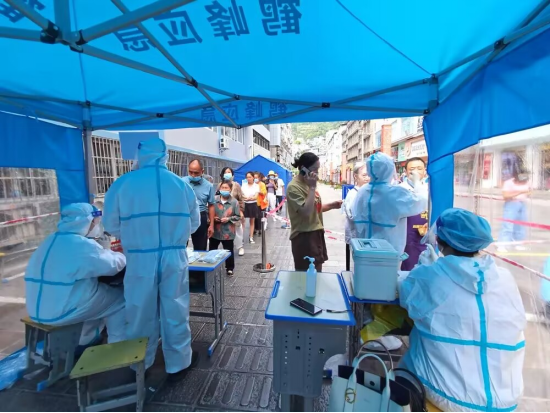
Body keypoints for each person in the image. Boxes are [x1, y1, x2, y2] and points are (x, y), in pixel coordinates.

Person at [399, 208, 526, 412]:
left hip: (446, 396)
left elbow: (407, 297)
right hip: (506, 398)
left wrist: (422, 270)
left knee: (403, 367)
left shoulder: (432, 277)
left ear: (440, 241)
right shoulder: (504, 278)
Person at [103, 138, 201, 381]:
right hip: (174, 256)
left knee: (139, 310)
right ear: (165, 155)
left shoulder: (122, 184)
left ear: (140, 154)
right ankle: (178, 364)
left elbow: (111, 225)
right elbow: (194, 224)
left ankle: (139, 365)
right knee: (176, 309)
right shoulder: (181, 185)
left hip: (139, 257)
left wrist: (135, 236)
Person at [25, 203, 126, 346]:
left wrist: (101, 250)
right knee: (120, 300)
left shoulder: (50, 240)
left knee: (96, 297)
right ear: (88, 222)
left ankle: (88, 340)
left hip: (37, 310)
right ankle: (117, 346)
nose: (97, 226)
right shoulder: (81, 245)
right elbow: (113, 266)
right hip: (61, 312)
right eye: (96, 222)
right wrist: (112, 252)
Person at [354, 152, 428, 255]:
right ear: (390, 169)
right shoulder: (396, 193)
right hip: (389, 250)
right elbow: (422, 202)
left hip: (364, 248)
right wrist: (417, 183)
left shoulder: (362, 191)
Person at [286, 152, 342, 271]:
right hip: (304, 236)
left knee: (317, 270)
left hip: (316, 234)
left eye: (318, 169)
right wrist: (312, 187)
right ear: (303, 168)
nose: (316, 173)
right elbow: (306, 212)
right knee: (307, 274)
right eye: (314, 169)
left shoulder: (308, 183)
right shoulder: (294, 187)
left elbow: (313, 208)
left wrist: (332, 205)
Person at [399, 157, 429, 270]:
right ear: (406, 172)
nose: (416, 172)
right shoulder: (399, 189)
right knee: (408, 265)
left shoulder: (430, 187)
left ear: (425, 171)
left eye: (419, 168)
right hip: (406, 233)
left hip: (425, 231)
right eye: (412, 169)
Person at [210, 182, 242, 277]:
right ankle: (211, 265)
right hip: (215, 230)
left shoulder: (234, 202)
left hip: (228, 231)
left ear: (230, 189)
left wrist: (228, 219)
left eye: (226, 188)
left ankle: (229, 268)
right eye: (222, 187)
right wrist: (213, 219)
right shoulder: (214, 200)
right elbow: (209, 212)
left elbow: (237, 216)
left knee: (228, 250)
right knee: (212, 249)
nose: (224, 189)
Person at [183, 159, 215, 251]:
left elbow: (211, 205)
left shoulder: (208, 186)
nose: (193, 175)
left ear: (202, 171)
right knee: (180, 246)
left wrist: (211, 225)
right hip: (184, 215)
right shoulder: (181, 182)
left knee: (200, 247)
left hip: (201, 215)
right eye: (190, 172)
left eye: (196, 173)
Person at [343, 162, 369, 271]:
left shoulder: (368, 192)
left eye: (369, 175)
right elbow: (353, 216)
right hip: (356, 236)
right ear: (355, 176)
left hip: (367, 238)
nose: (367, 178)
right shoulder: (353, 194)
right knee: (359, 267)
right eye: (364, 175)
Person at [498, 168, 531, 252]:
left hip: (522, 203)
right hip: (511, 203)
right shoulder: (508, 183)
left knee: (520, 225)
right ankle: (502, 244)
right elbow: (505, 196)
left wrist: (527, 193)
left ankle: (518, 243)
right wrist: (519, 192)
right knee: (508, 225)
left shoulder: (526, 182)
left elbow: (529, 191)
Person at [219, 167, 245, 256]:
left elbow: (241, 199)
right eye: (225, 172)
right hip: (223, 212)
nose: (227, 174)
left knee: (238, 230)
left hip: (235, 211)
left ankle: (240, 246)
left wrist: (241, 210)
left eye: (229, 172)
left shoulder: (236, 185)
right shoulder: (220, 185)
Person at [242, 171, 260, 244]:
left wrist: (250, 198)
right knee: (242, 221)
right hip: (245, 204)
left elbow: (256, 196)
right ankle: (241, 238)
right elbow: (242, 195)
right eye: (247, 177)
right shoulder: (244, 185)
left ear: (253, 177)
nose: (248, 178)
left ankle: (251, 237)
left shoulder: (256, 186)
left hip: (253, 204)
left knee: (252, 221)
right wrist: (246, 198)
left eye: (250, 177)